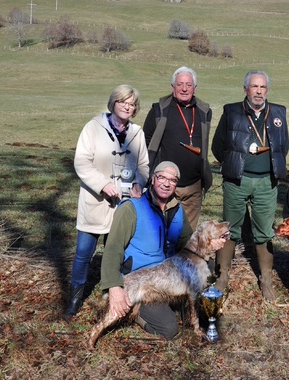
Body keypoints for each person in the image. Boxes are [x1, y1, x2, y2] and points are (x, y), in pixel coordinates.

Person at [65, 85, 150, 318]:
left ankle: (114, 298)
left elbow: (143, 165)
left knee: (119, 254)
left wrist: (139, 184)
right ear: (113, 102)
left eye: (132, 104)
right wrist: (102, 184)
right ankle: (74, 300)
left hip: (123, 207)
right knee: (83, 254)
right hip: (95, 202)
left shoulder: (137, 133)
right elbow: (82, 162)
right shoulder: (93, 128)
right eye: (123, 101)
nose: (127, 106)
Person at [211, 69, 289, 301]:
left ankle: (265, 279)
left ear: (267, 90)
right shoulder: (232, 111)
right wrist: (234, 164)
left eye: (262, 87)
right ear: (245, 89)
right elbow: (218, 146)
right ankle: (222, 275)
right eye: (254, 86)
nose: (258, 91)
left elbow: (283, 146)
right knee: (230, 228)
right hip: (238, 180)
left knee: (264, 231)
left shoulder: (278, 113)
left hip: (266, 181)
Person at [100, 161, 192, 340]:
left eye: (172, 180)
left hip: (166, 278)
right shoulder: (131, 208)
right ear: (152, 179)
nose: (166, 183)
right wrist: (114, 287)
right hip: (140, 284)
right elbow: (113, 249)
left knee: (208, 268)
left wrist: (208, 245)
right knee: (169, 329)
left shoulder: (178, 210)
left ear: (176, 185)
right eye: (162, 178)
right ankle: (136, 311)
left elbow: (187, 245)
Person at [142, 66, 212, 230]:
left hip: (194, 185)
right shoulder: (159, 110)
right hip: (165, 184)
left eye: (188, 84)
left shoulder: (204, 111)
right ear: (172, 87)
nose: (184, 88)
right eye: (180, 84)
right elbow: (146, 141)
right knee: (161, 230)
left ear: (195, 88)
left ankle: (183, 256)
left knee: (187, 233)